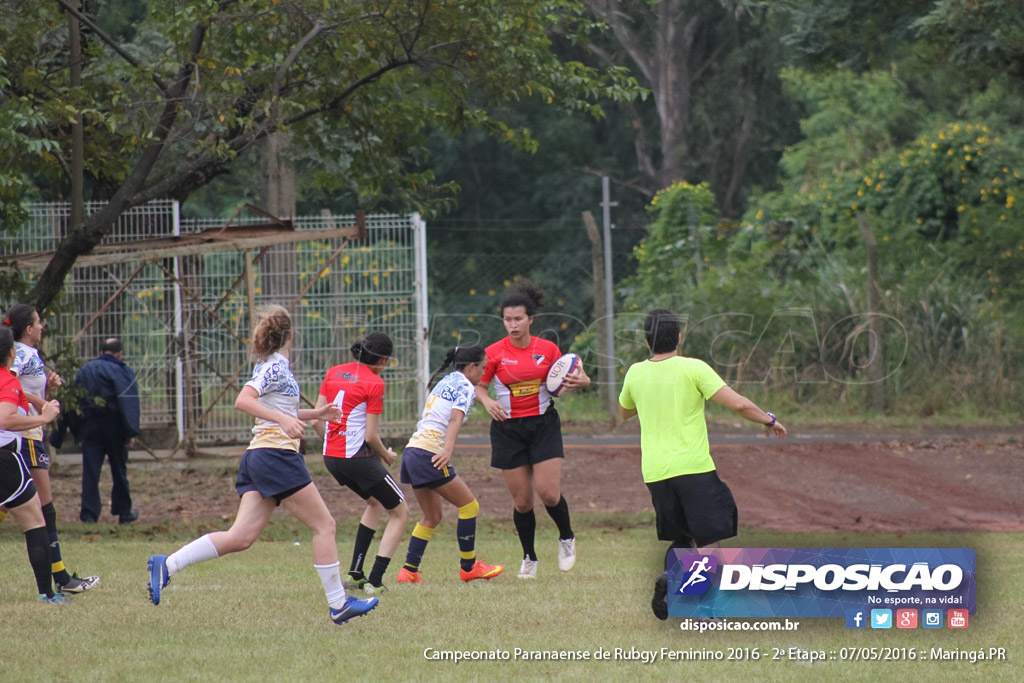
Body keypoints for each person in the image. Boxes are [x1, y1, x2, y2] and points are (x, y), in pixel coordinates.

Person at [147, 305, 378, 626]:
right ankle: (339, 604)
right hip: (275, 456)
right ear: (290, 336)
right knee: (325, 525)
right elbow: (244, 400)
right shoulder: (276, 368)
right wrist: (285, 418)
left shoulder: (272, 366)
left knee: (240, 537)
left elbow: (277, 408)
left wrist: (315, 415)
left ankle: (166, 565)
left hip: (260, 456)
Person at [617, 308, 788, 620]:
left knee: (684, 540)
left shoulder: (635, 373)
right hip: (693, 469)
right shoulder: (692, 368)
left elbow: (625, 411)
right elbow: (738, 403)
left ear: (646, 340)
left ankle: (671, 585)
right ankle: (707, 608)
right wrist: (769, 418)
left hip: (655, 474)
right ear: (679, 338)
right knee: (710, 541)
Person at [475, 281, 590, 579]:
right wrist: (486, 401)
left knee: (549, 494)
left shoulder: (547, 349)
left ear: (530, 320)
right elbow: (479, 387)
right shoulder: (494, 353)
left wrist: (584, 381)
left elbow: (572, 372)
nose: (512, 325)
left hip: (543, 425)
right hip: (507, 429)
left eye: (518, 319)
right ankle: (529, 557)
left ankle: (566, 537)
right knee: (522, 502)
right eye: (507, 319)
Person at [5, 305, 100, 594]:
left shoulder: (29, 353)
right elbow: (9, 384)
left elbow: (22, 386)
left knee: (28, 506)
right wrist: (42, 405)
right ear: (29, 329)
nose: (42, 326)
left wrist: (49, 387)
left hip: (30, 433)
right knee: (43, 507)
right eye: (38, 322)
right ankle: (60, 578)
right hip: (27, 435)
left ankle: (59, 577)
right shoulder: (18, 353)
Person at [396, 344, 504, 584]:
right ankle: (469, 567)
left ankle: (408, 571)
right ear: (471, 367)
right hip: (430, 454)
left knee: (432, 517)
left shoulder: (446, 381)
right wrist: (447, 450)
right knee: (469, 506)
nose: (484, 374)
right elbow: (455, 418)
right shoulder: (466, 385)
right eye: (483, 368)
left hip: (413, 451)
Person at [313, 332, 409, 594]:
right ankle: (376, 582)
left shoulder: (333, 372)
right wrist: (386, 455)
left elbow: (315, 421)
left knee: (375, 503)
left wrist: (333, 443)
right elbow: (370, 436)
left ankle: (356, 574)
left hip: (332, 458)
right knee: (400, 512)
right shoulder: (375, 382)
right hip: (357, 458)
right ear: (381, 360)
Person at [0, 325, 69, 605]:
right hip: (5, 457)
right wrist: (45, 418)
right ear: (11, 352)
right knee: (35, 521)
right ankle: (47, 593)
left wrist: (41, 402)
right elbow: (7, 419)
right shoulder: (7, 380)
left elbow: (18, 400)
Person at [73, 337, 141, 524]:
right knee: (119, 469)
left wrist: (74, 429)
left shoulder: (85, 370)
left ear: (101, 351)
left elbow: (74, 400)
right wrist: (131, 431)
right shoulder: (121, 370)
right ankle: (124, 512)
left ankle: (89, 515)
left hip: (90, 426)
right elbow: (128, 401)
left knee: (90, 471)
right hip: (115, 427)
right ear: (119, 353)